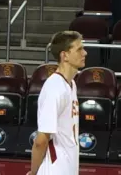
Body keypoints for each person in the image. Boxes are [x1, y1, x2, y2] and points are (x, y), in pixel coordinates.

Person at [27, 31, 87, 175]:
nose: (84, 53)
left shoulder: (71, 83)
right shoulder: (54, 87)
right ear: (64, 55)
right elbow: (41, 140)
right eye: (79, 49)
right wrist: (33, 172)